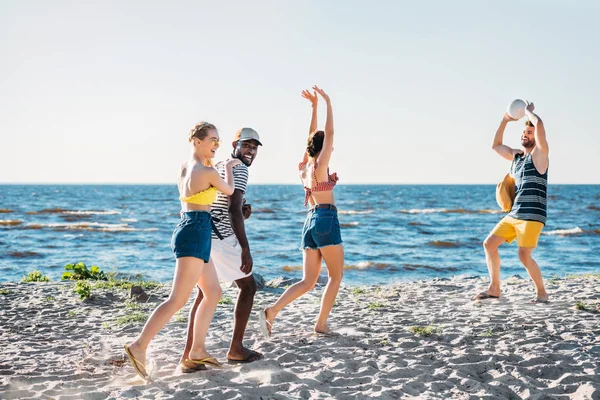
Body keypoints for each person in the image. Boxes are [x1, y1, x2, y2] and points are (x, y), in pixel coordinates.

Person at [124, 121, 241, 380]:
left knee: (213, 291)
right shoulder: (208, 171)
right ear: (197, 141)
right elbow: (230, 191)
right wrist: (230, 168)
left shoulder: (186, 167)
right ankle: (139, 346)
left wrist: (217, 166)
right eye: (212, 140)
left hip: (191, 227)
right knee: (177, 298)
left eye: (218, 142)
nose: (216, 145)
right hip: (196, 231)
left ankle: (197, 349)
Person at [259, 86, 344, 337]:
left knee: (308, 281)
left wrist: (313, 107)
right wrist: (328, 103)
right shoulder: (320, 164)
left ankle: (272, 311)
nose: (331, 147)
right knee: (335, 277)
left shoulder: (304, 167)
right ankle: (321, 324)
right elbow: (328, 133)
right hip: (326, 218)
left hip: (310, 222)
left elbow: (313, 136)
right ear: (323, 147)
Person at [180, 128, 264, 368]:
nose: (251, 151)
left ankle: (188, 355)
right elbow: (233, 208)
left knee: (203, 294)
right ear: (235, 145)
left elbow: (224, 205)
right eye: (246, 145)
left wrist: (241, 213)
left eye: (255, 147)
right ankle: (236, 348)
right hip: (222, 237)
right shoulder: (239, 168)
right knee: (248, 286)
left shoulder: (219, 165)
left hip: (208, 232)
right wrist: (245, 248)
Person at [474, 102, 550, 303]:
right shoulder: (516, 158)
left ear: (537, 137)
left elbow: (539, 125)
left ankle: (542, 293)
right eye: (525, 131)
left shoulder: (540, 155)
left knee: (524, 255)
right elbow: (496, 145)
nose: (526, 134)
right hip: (515, 213)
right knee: (489, 244)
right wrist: (506, 119)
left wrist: (529, 113)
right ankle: (494, 288)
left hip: (532, 216)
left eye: (530, 132)